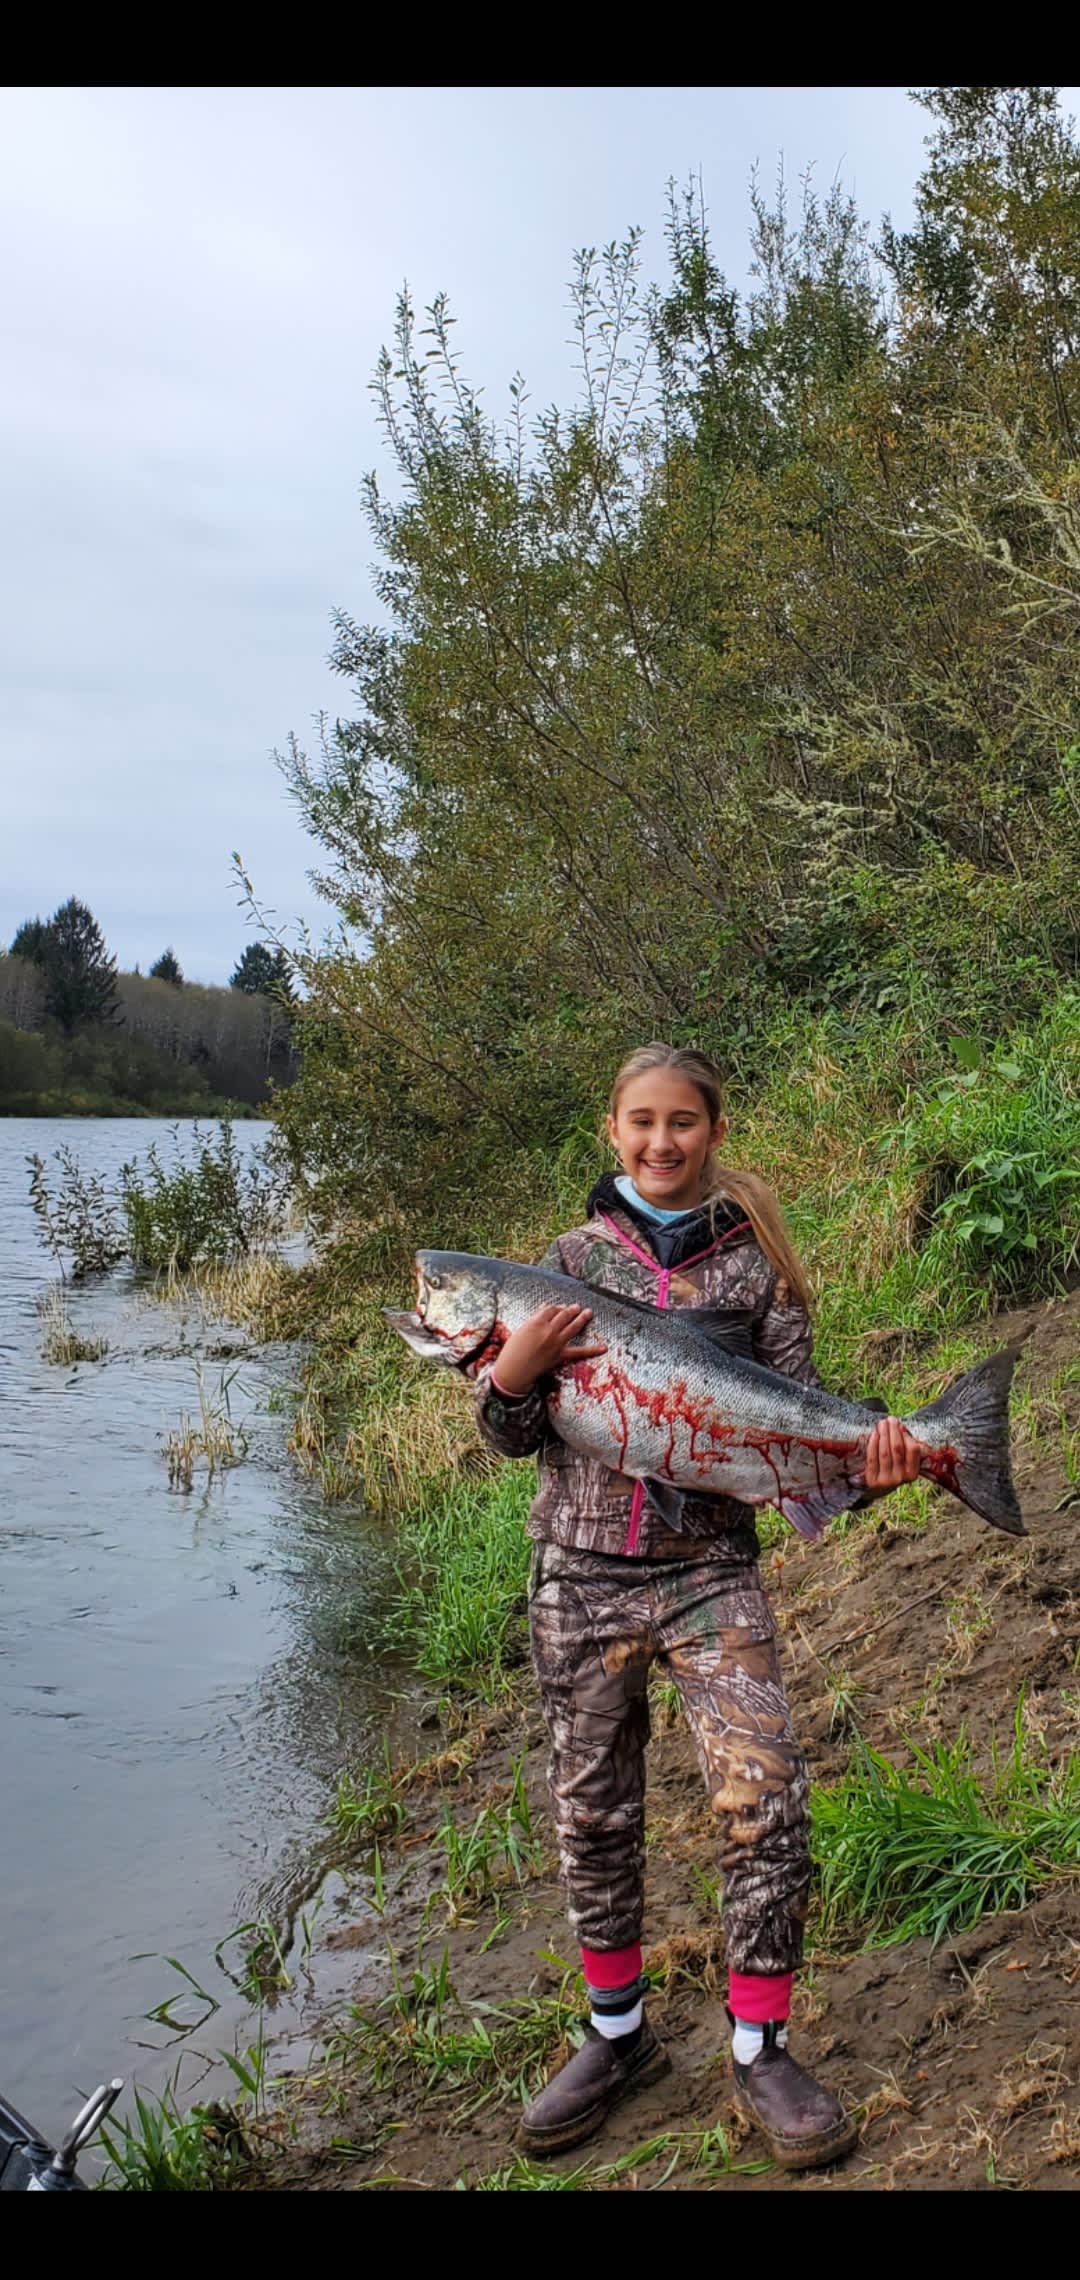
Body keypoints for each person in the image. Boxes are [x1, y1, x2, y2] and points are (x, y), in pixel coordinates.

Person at [473, 1042, 920, 2170]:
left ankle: (761, 2046)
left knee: (765, 1803)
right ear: (611, 1132)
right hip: (577, 1574)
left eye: (683, 1122)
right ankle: (615, 2037)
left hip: (711, 1572)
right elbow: (508, 1437)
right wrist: (513, 1373)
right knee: (593, 1812)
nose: (661, 1142)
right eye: (641, 1123)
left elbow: (794, 1442)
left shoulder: (756, 1270)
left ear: (714, 1130)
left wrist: (864, 1471)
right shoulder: (563, 1265)